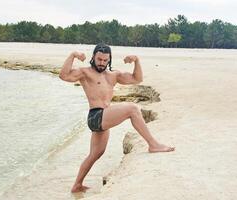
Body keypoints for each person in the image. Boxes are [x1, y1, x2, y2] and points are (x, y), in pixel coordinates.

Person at [59, 43, 175, 193]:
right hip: (96, 116)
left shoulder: (113, 75)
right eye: (99, 59)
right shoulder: (84, 72)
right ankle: (153, 144)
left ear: (109, 60)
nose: (101, 63)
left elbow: (136, 79)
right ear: (93, 57)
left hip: (104, 117)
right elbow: (64, 75)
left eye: (105, 60)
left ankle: (77, 185)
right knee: (132, 109)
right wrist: (73, 55)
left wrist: (136, 61)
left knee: (96, 154)